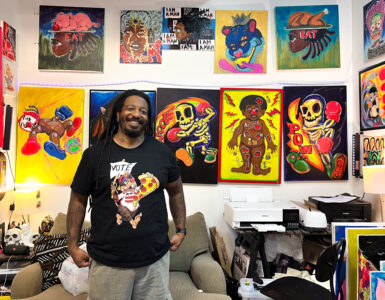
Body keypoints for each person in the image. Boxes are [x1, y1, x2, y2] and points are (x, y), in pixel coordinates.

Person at [67, 89, 186, 300]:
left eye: (143, 111)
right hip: (107, 261)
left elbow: (176, 192)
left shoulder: (162, 153)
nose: (136, 114)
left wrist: (181, 229)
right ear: (118, 113)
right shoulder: (94, 155)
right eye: (130, 108)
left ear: (148, 118)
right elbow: (78, 199)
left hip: (154, 260)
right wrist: (72, 245)